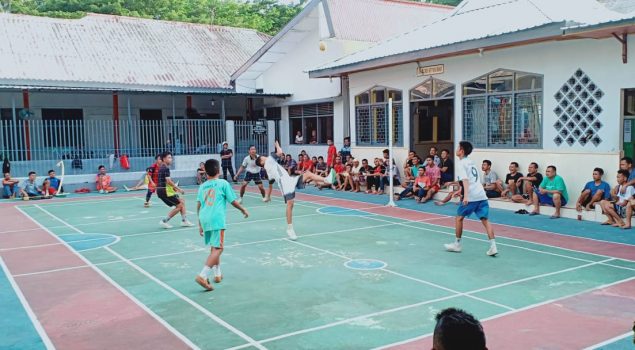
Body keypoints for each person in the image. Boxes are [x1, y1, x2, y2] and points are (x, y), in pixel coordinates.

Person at [255, 141, 336, 240]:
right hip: (285, 184)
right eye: (263, 157)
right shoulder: (268, 162)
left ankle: (327, 179)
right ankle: (289, 228)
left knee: (308, 174)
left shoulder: (269, 169)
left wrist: (268, 196)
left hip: (290, 180)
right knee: (290, 204)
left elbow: (270, 184)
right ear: (262, 162)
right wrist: (277, 145)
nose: (265, 156)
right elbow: (280, 152)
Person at [195, 159, 249, 291]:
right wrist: (243, 209)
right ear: (218, 171)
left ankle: (217, 274)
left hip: (204, 218)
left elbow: (198, 205)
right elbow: (233, 201)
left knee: (214, 246)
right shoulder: (223, 183)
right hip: (216, 219)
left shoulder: (202, 186)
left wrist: (200, 224)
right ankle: (203, 275)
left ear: (205, 173)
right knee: (219, 249)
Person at [444, 141, 498, 256]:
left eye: (458, 147)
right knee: (485, 220)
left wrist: (466, 196)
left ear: (462, 151)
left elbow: (466, 180)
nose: (456, 149)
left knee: (459, 218)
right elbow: (471, 180)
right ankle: (493, 246)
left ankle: (457, 244)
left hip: (472, 196)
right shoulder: (471, 162)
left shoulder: (461, 163)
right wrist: (460, 191)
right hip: (481, 194)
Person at [157, 151, 195, 229]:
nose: (171, 159)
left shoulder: (162, 167)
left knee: (182, 201)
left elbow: (166, 181)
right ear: (164, 159)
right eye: (169, 157)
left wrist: (173, 187)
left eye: (171, 157)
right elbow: (168, 181)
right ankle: (164, 221)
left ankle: (184, 221)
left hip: (165, 190)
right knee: (179, 205)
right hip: (164, 191)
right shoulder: (165, 168)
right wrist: (179, 189)